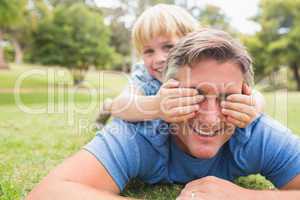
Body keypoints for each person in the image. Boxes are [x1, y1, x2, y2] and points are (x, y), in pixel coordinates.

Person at [27, 28, 300, 200]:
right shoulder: (140, 132)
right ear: (166, 90)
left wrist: (241, 197)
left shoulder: (255, 131)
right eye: (193, 95)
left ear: (246, 97)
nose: (210, 118)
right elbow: (49, 193)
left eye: (227, 98)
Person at [96, 4, 265, 129]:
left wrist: (252, 106)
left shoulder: (204, 71)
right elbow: (122, 105)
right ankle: (106, 108)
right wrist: (156, 106)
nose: (159, 59)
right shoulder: (145, 76)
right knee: (114, 105)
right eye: (149, 51)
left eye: (168, 47)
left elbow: (256, 96)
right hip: (149, 111)